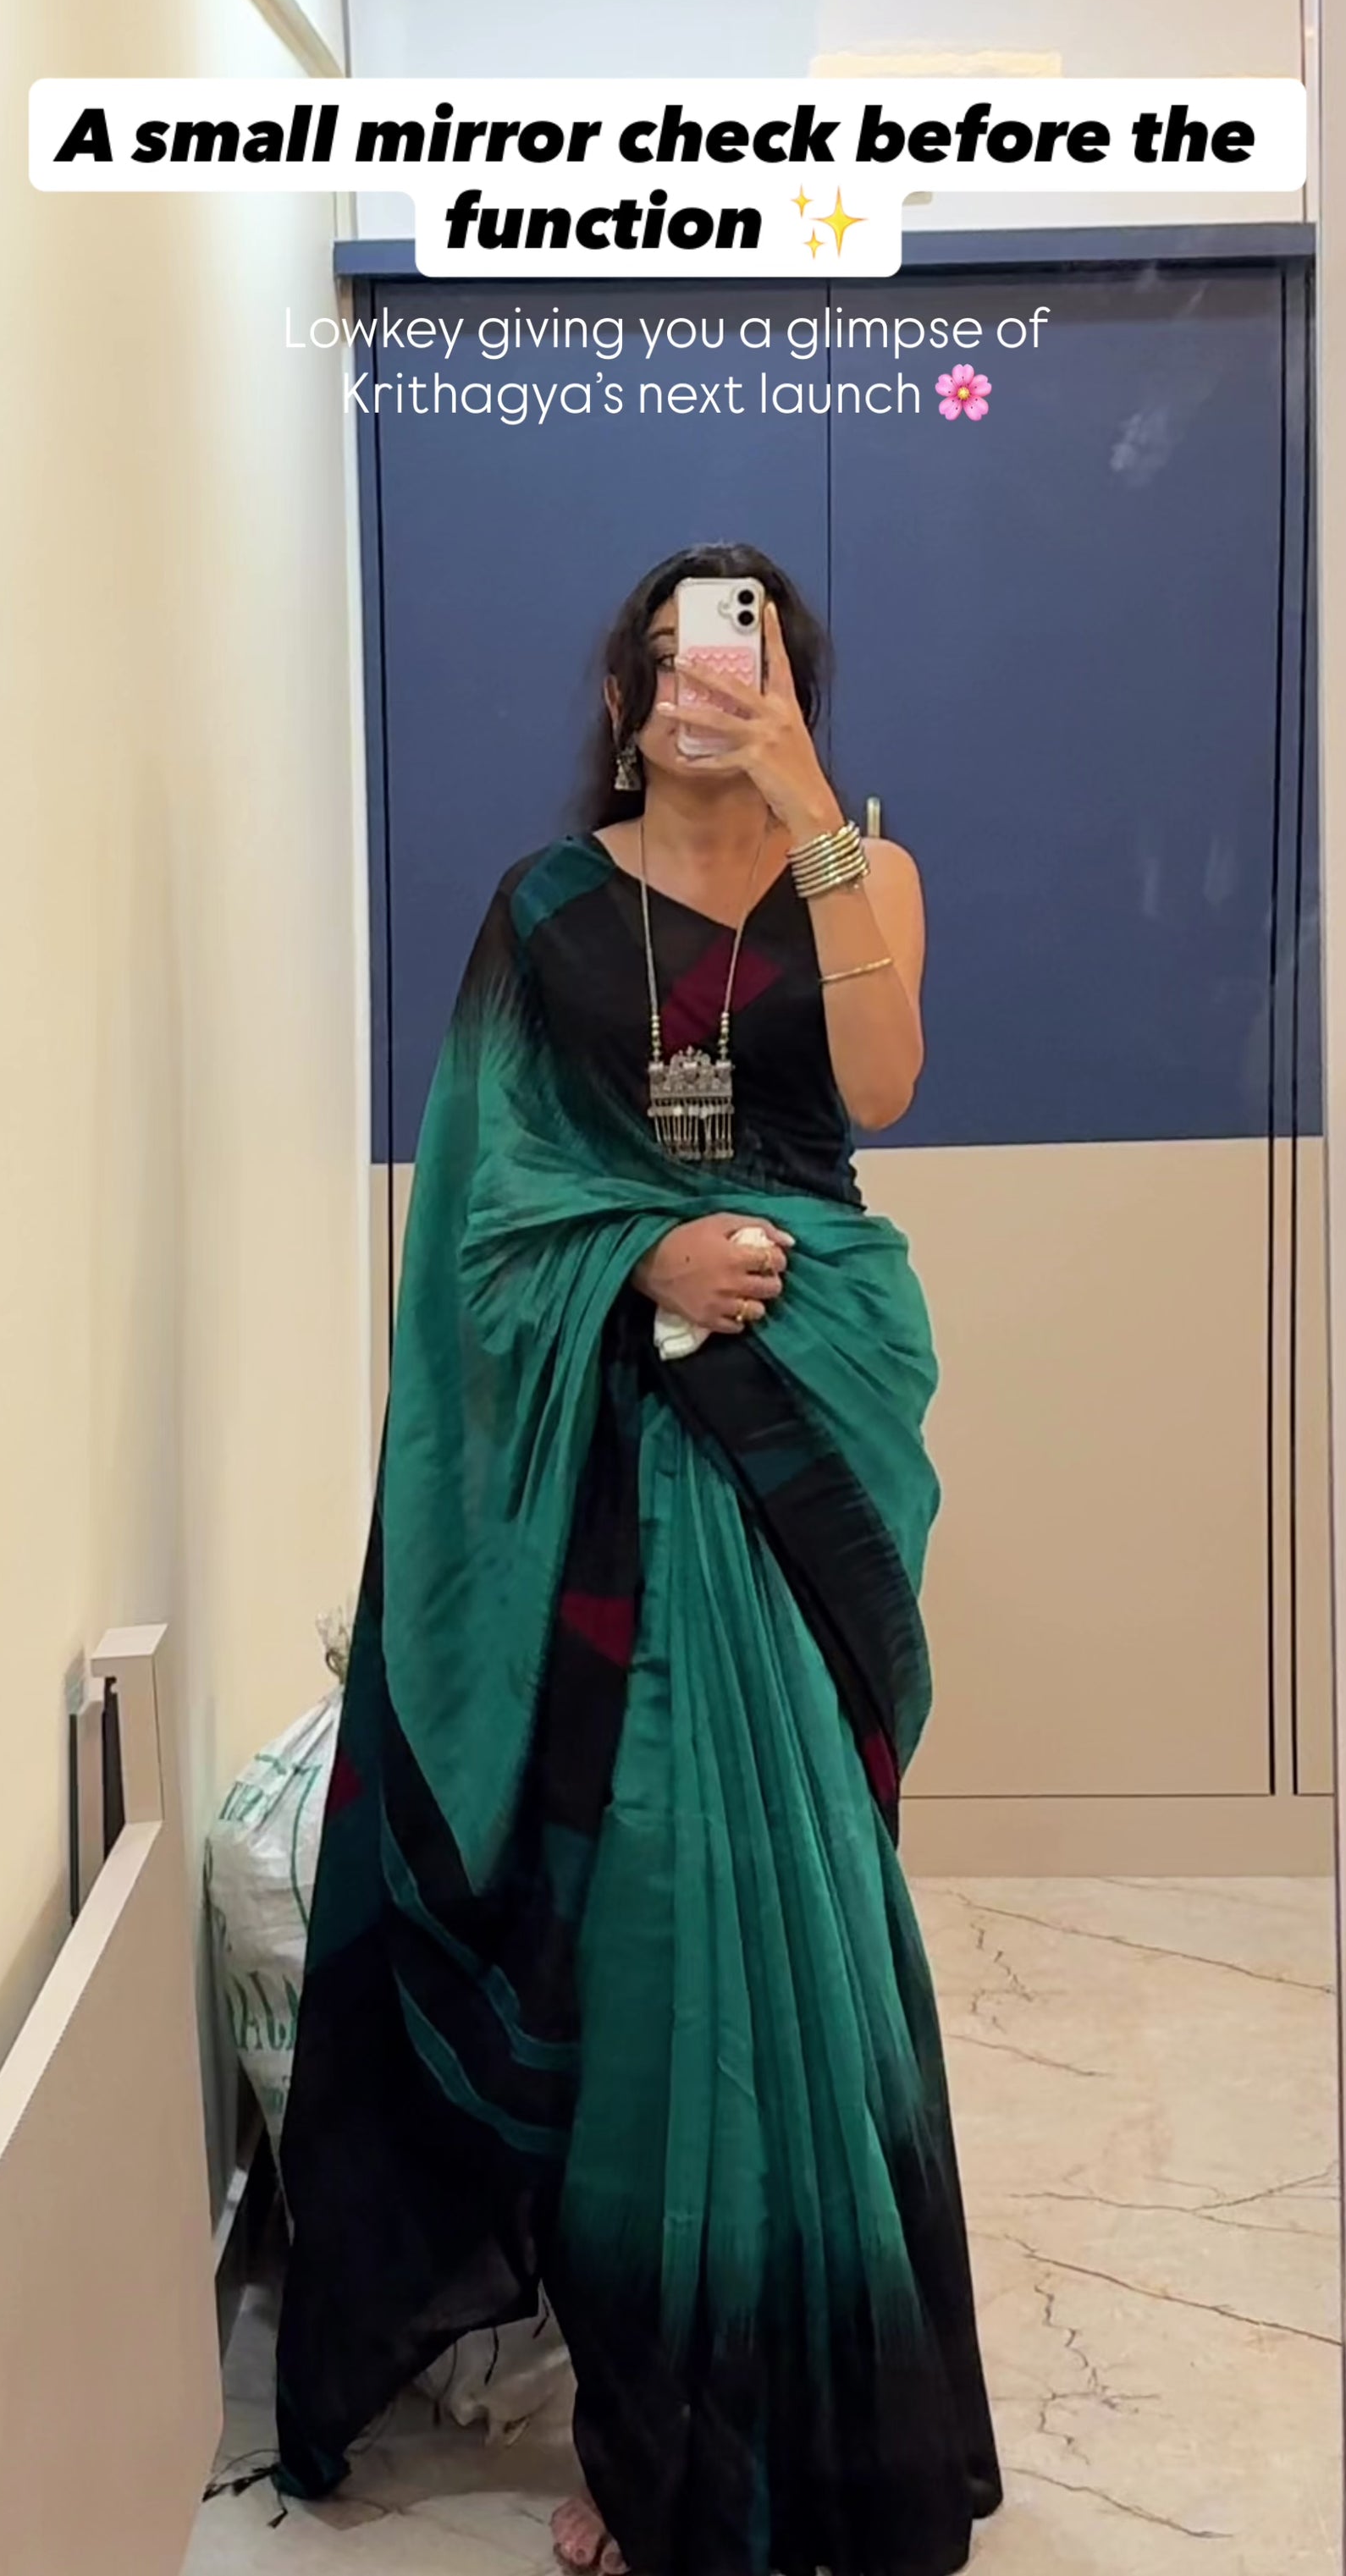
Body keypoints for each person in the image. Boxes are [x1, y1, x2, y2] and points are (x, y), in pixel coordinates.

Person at [274, 542, 1001, 2576]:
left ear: (792, 688)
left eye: (751, 651)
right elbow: (484, 1220)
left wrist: (803, 806)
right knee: (648, 1925)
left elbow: (880, 1093)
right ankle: (651, 2432)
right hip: (613, 1457)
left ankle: (838, 2410)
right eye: (680, 648)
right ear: (623, 691)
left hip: (804, 1424)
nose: (712, 677)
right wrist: (641, 1260)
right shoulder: (545, 911)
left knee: (817, 1897)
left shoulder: (862, 870)